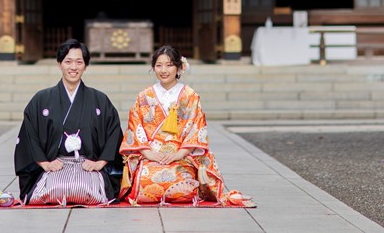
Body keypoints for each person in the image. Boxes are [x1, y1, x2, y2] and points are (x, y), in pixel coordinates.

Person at [14, 38, 123, 205]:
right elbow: (30, 134)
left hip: (89, 166)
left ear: (85, 66)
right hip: (55, 166)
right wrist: (44, 163)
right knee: (54, 191)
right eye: (68, 61)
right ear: (59, 64)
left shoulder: (100, 100)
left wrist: (100, 162)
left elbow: (114, 132)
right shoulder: (41, 99)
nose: (73, 67)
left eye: (79, 62)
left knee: (88, 191)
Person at [119, 45, 228, 204]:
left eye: (169, 65)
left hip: (182, 154)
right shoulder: (144, 96)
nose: (163, 70)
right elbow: (135, 127)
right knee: (145, 181)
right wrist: (149, 154)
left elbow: (196, 129)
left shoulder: (190, 96)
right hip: (150, 153)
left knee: (182, 181)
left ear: (179, 67)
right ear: (153, 67)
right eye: (159, 65)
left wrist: (178, 154)